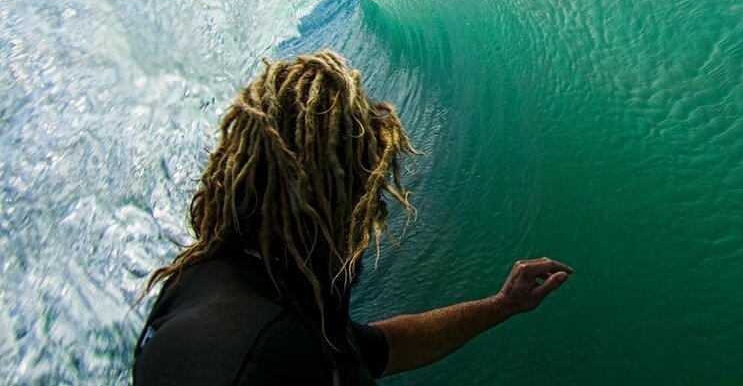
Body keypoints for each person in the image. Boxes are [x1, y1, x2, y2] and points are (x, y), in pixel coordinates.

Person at [132, 50, 571, 385]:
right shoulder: (253, 354)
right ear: (327, 191)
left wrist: (501, 306)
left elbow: (382, 348)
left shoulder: (242, 288)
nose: (374, 209)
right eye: (367, 184)